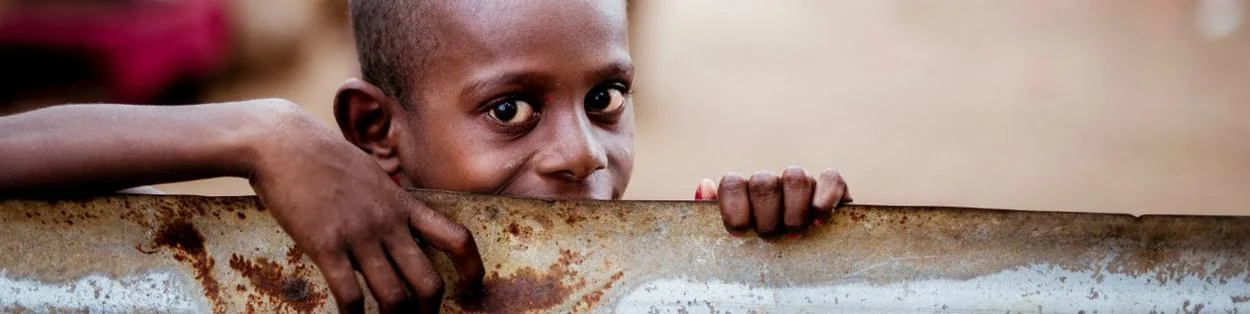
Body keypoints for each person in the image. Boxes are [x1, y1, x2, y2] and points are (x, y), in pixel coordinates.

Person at [0, 0, 850, 312]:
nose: (581, 154)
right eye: (510, 110)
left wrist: (759, 267)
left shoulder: (653, 279)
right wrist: (257, 134)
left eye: (606, 99)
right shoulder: (303, 264)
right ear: (376, 130)